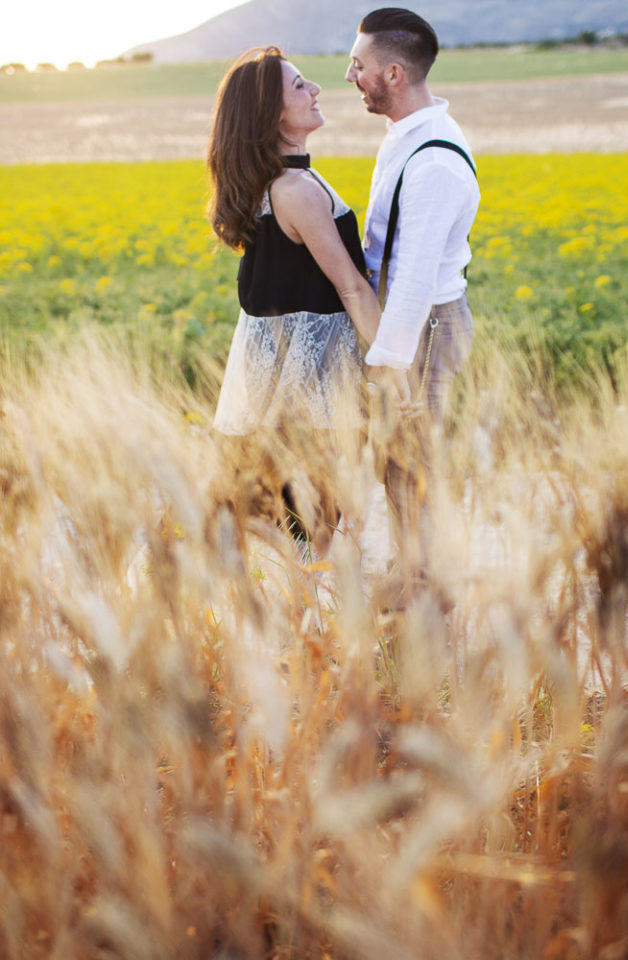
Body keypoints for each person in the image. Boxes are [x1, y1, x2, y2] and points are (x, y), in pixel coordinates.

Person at [207, 46, 382, 555]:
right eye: (300, 86)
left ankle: (294, 625)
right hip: (316, 397)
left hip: (283, 397)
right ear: (271, 114)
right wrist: (394, 364)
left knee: (292, 535)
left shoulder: (278, 182)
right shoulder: (296, 188)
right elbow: (350, 286)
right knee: (311, 533)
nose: (316, 91)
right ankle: (305, 629)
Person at [346, 7, 480, 596]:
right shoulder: (407, 138)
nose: (351, 75)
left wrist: (386, 358)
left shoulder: (433, 161)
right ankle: (417, 573)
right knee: (401, 460)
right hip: (411, 324)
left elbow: (415, 277)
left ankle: (426, 585)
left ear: (394, 74)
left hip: (425, 327)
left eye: (359, 65)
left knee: (414, 461)